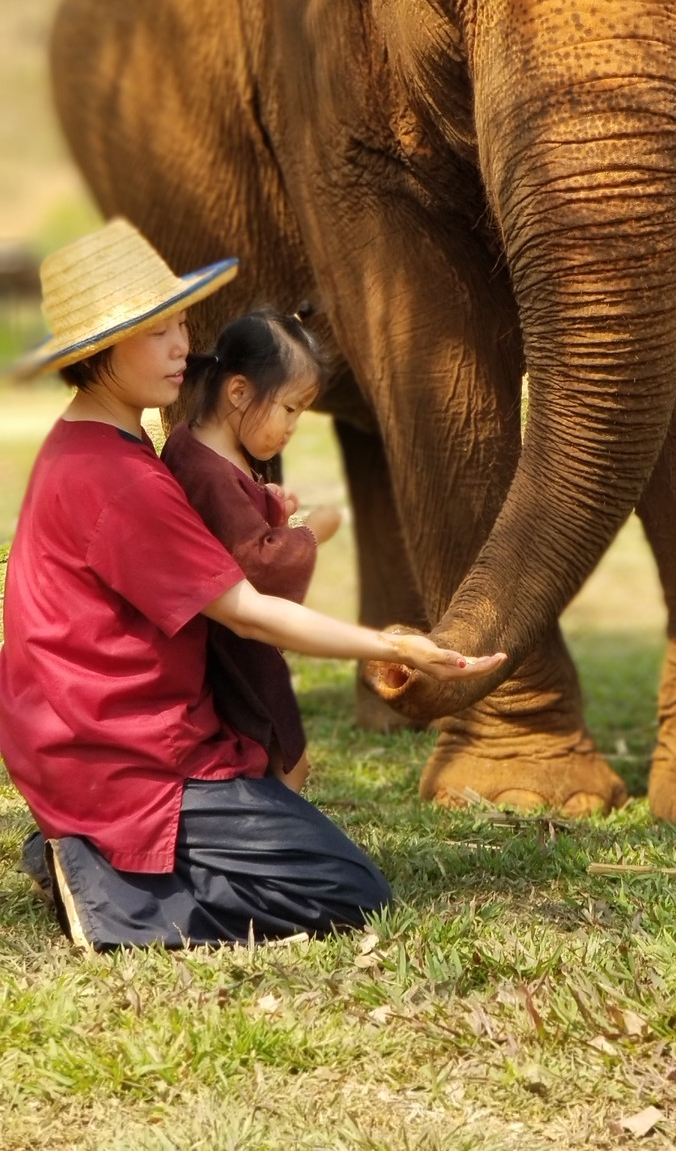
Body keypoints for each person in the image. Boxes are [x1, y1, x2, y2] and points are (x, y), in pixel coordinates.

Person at [0, 219, 502, 952]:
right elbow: (250, 614)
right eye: (157, 333)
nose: (183, 348)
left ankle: (94, 857)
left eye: (180, 325)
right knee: (348, 890)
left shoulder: (100, 439)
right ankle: (109, 896)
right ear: (100, 352)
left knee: (307, 842)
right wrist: (394, 647)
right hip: (124, 756)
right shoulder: (117, 475)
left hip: (96, 737)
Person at [160, 308, 338, 796]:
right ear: (238, 392)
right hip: (234, 644)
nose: (292, 427)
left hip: (220, 636)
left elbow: (235, 522)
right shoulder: (211, 474)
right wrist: (312, 533)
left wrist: (270, 508)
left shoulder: (192, 443)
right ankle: (283, 843)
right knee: (285, 752)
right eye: (289, 409)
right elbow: (255, 562)